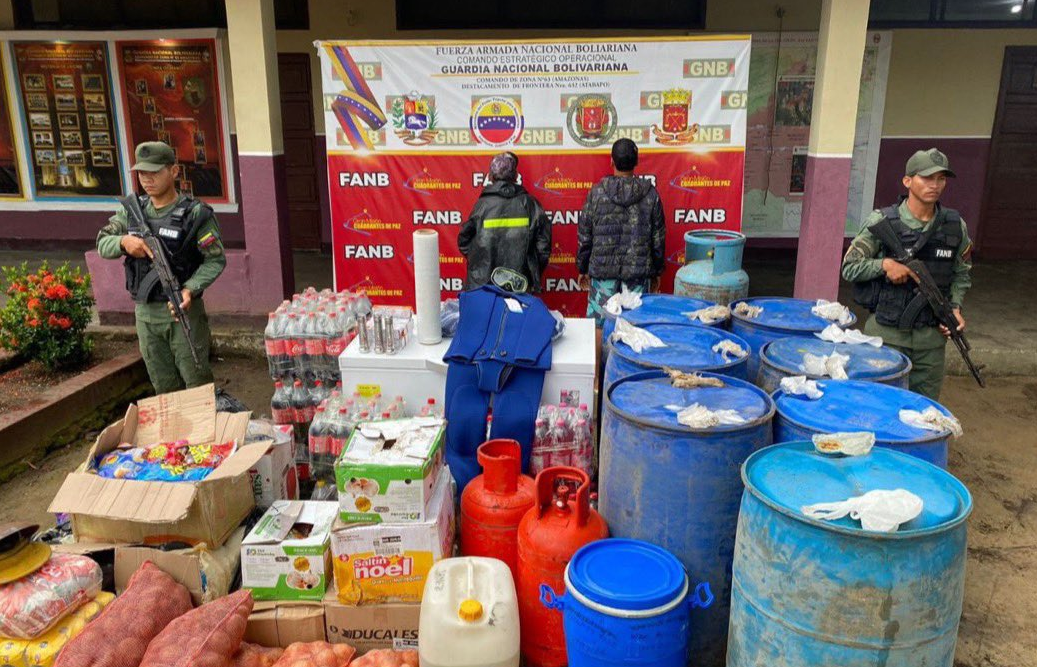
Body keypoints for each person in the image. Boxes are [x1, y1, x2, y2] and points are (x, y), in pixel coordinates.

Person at [842, 148, 972, 400]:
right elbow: (850, 267)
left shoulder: (955, 226)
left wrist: (955, 308)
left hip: (931, 340)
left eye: (941, 179)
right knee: (876, 401)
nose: (934, 185)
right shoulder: (883, 222)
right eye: (927, 178)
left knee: (923, 407)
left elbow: (962, 273)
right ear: (908, 181)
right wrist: (884, 266)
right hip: (886, 334)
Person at [96, 141, 226, 394]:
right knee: (163, 386)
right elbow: (102, 242)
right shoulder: (131, 212)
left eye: (154, 172)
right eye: (142, 173)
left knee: (197, 383)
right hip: (146, 316)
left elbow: (215, 260)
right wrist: (123, 242)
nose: (147, 179)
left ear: (174, 171)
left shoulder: (195, 214)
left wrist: (190, 289)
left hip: (182, 313)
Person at [577, 138, 666, 326]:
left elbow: (585, 235)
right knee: (636, 326)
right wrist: (657, 271)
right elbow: (658, 239)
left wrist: (582, 268)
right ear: (637, 161)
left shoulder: (596, 193)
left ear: (611, 161)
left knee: (598, 325)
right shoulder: (650, 194)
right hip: (638, 273)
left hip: (602, 274)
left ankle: (597, 357)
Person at [457, 152, 551, 293]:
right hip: (520, 284)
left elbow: (464, 241)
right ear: (515, 176)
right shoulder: (530, 204)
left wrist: (481, 262)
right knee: (517, 315)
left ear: (491, 176)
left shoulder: (482, 205)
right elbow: (543, 246)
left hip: (485, 284)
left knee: (489, 315)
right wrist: (531, 270)